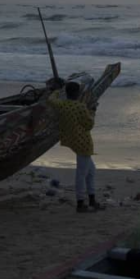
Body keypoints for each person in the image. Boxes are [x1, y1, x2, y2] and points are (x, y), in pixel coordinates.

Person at [48, 81, 103, 213]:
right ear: (78, 93)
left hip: (73, 141)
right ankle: (80, 203)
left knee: (91, 171)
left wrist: (57, 90)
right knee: (82, 174)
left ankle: (92, 200)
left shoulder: (62, 105)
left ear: (66, 93)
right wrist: (92, 112)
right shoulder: (80, 107)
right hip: (84, 143)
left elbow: (51, 99)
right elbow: (89, 125)